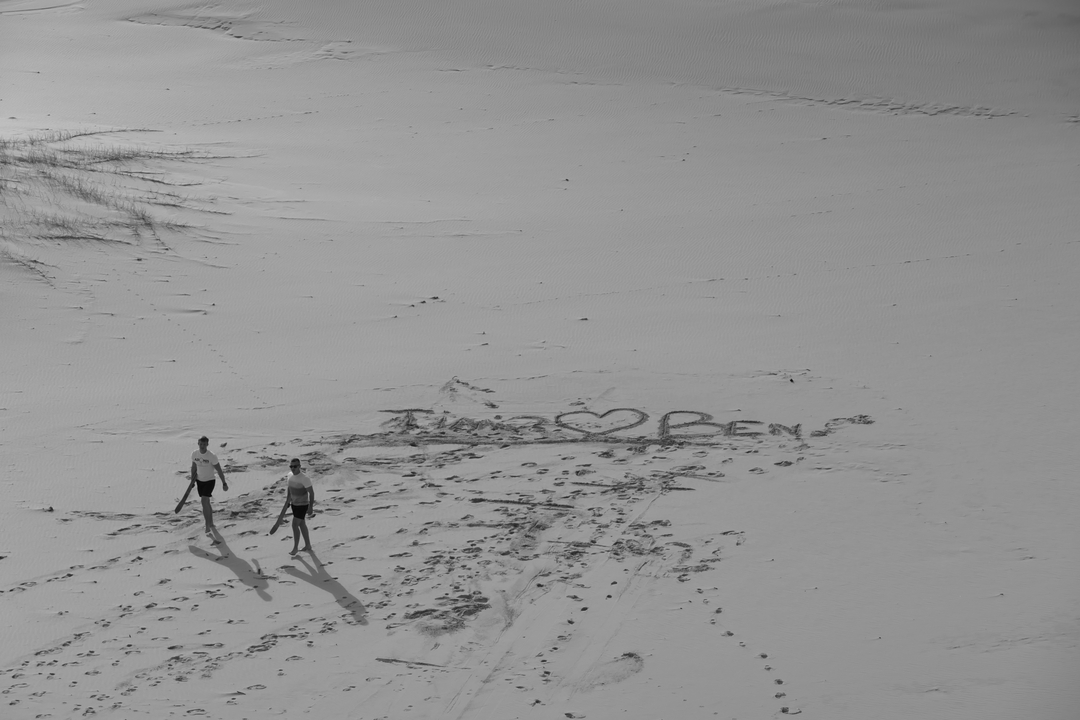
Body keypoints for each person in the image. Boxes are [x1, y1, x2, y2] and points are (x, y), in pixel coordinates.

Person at [272, 458, 315, 555]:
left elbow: (311, 493)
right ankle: (308, 545)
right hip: (294, 504)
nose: (293, 468)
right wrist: (288, 501)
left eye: (295, 466)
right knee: (301, 524)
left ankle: (295, 548)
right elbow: (290, 488)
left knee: (295, 524)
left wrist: (311, 507)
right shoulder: (290, 475)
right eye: (291, 466)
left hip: (303, 505)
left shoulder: (304, 479)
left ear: (299, 466)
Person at [189, 436, 228, 534]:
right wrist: (192, 481)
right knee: (207, 503)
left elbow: (219, 470)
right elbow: (193, 467)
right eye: (200, 444)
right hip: (199, 481)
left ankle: (207, 525)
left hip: (210, 481)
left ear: (207, 444)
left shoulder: (211, 456)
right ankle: (211, 523)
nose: (202, 446)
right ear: (198, 444)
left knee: (203, 501)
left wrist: (224, 483)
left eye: (204, 444)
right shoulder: (194, 454)